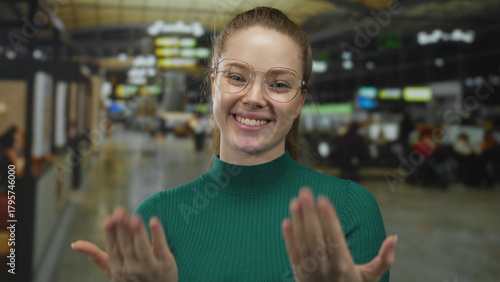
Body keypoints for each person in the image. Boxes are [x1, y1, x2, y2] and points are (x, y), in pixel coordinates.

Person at [71, 7, 397, 281]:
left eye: (279, 83)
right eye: (237, 77)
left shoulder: (349, 212)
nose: (254, 98)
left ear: (299, 103)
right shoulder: (157, 220)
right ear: (214, 87)